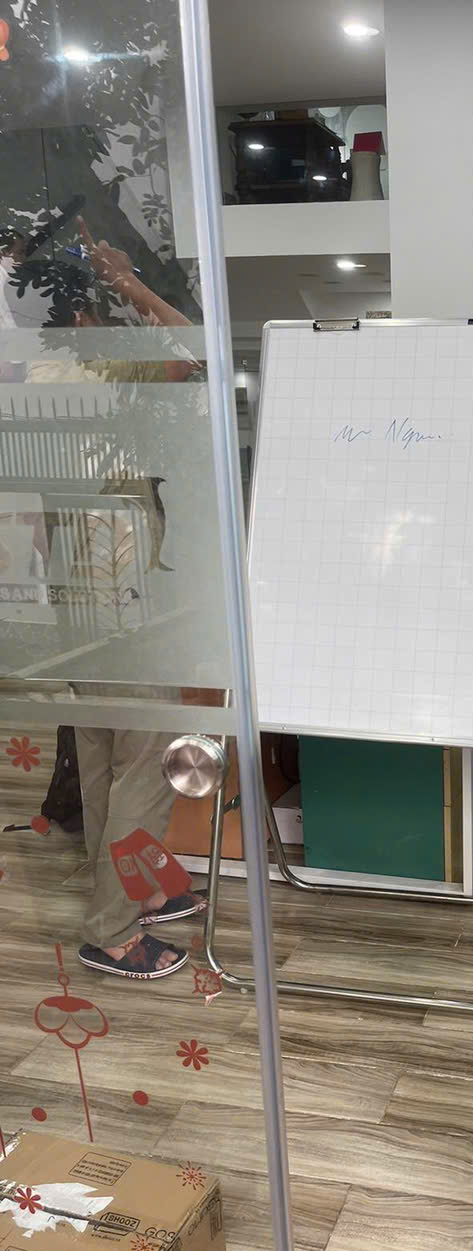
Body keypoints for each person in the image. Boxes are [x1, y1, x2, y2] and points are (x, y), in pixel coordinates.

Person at [25, 219, 206, 979]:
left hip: (73, 576)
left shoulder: (39, 374)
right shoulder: (108, 368)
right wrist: (131, 283)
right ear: (85, 309)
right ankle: (115, 930)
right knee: (145, 758)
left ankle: (134, 894)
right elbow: (194, 347)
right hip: (119, 569)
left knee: (103, 755)